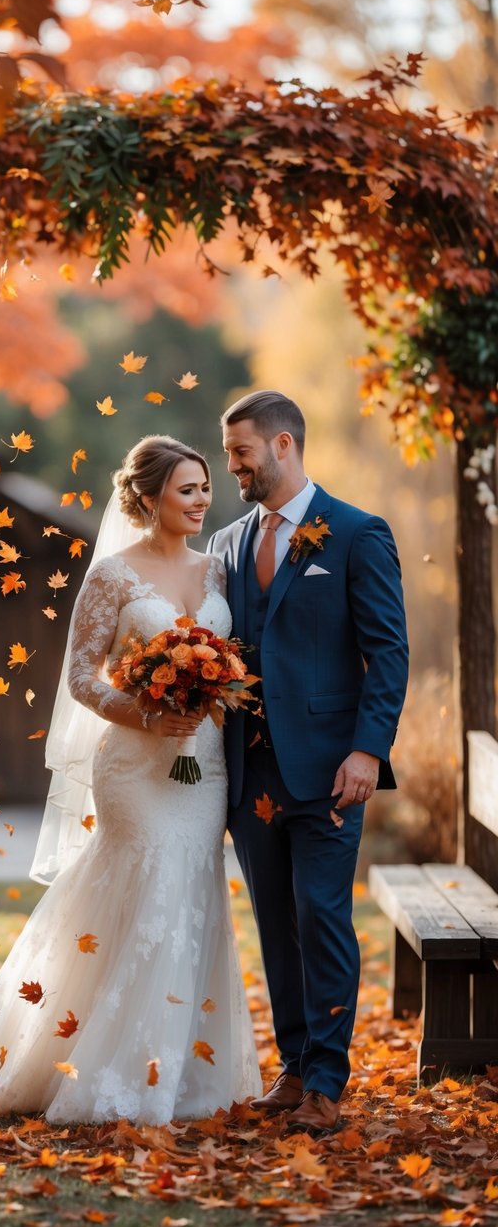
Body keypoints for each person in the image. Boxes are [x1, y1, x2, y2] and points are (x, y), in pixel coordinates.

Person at [0, 436, 262, 1123]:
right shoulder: (114, 575)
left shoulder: (217, 575)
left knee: (191, 893)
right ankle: (103, 1069)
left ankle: (181, 1072)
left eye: (206, 487)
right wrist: (146, 711)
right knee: (146, 886)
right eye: (188, 488)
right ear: (149, 497)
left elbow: (234, 659)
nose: (203, 499)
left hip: (201, 768)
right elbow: (82, 677)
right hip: (133, 765)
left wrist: (207, 694)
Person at [208, 391, 408, 1134]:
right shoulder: (228, 543)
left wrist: (368, 748)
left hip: (330, 767)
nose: (232, 466)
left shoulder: (358, 534)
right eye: (228, 453)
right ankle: (295, 1066)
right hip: (249, 770)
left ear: (283, 445)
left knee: (322, 916)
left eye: (241, 453)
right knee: (275, 923)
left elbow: (387, 650)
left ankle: (328, 1076)